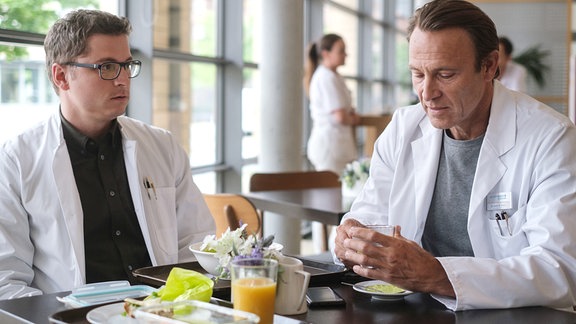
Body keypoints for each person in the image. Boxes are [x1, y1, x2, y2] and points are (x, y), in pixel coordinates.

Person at [333, 0, 576, 311]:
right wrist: (351, 238)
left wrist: (436, 275)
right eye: (418, 74)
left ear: (489, 66)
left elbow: (558, 269)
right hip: (418, 309)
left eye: (445, 74)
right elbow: (370, 217)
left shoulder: (550, 138)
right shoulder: (404, 128)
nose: (427, 92)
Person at [0, 10, 215, 300]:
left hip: (163, 313)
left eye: (127, 65)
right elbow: (6, 278)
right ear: (62, 76)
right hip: (73, 317)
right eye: (107, 67)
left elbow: (197, 242)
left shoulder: (162, 145)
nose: (122, 79)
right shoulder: (16, 160)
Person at [303, 33, 360, 175]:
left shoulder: (334, 76)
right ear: (326, 54)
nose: (345, 55)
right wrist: (354, 119)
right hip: (330, 148)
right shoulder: (326, 78)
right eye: (341, 51)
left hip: (337, 146)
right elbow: (340, 116)